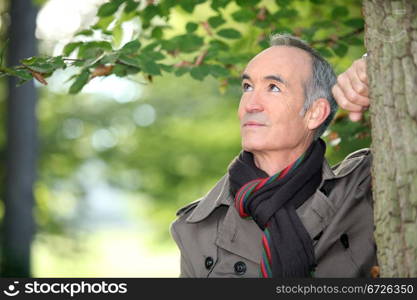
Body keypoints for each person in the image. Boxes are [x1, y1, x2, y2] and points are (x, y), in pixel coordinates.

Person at [170, 33, 374, 278]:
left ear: (315, 113)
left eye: (274, 87)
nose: (250, 104)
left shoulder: (365, 188)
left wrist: (374, 63)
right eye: (247, 87)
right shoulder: (197, 226)